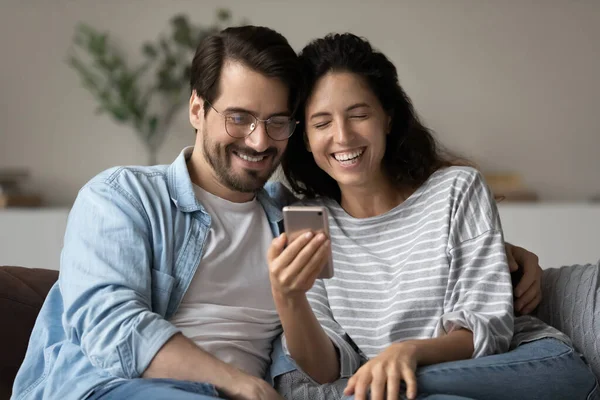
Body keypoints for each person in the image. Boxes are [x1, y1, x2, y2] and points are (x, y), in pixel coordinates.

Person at [11, 26, 547, 400]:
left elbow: (385, 252)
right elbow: (111, 328)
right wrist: (236, 383)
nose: (258, 140)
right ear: (197, 109)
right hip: (121, 387)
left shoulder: (295, 218)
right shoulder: (124, 196)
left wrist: (503, 255)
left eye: (276, 121)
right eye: (240, 118)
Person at [269, 33, 599, 400]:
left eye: (359, 115)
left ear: (388, 118)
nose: (343, 136)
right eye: (321, 123)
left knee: (379, 390)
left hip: (533, 365)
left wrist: (406, 353)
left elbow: (487, 330)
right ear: (306, 139)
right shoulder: (307, 223)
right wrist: (289, 297)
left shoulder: (456, 189)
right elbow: (325, 368)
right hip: (413, 389)